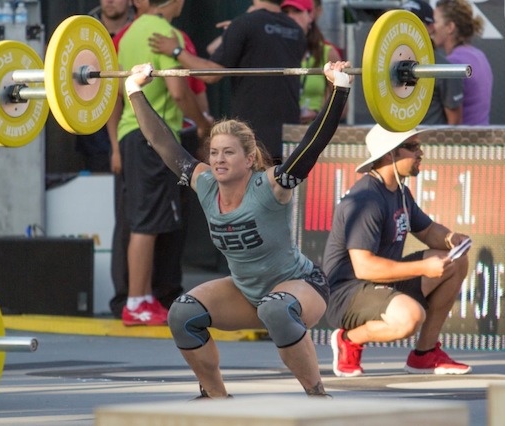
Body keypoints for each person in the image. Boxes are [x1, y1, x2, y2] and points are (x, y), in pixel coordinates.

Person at [124, 60, 352, 397]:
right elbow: (163, 144)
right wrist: (134, 90)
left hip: (302, 287)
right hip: (248, 294)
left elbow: (311, 146)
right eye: (214, 152)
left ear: (249, 159)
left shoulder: (272, 185)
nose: (218, 159)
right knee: (182, 314)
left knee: (275, 307)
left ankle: (317, 395)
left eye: (229, 153)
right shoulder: (204, 184)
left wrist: (340, 88)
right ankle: (217, 400)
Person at [321, 124, 472, 378]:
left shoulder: (399, 191)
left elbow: (427, 231)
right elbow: (364, 267)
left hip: (381, 284)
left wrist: (450, 239)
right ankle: (349, 339)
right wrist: (424, 268)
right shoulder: (366, 200)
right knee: (410, 317)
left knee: (455, 261)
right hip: (347, 293)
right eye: (412, 147)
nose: (420, 153)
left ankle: (424, 356)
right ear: (389, 154)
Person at [113, 0, 211, 326]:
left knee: (144, 220)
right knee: (146, 223)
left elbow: (115, 94)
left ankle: (140, 299)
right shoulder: (165, 32)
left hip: (133, 134)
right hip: (152, 136)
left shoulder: (127, 35)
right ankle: (137, 303)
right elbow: (179, 93)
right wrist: (203, 124)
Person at [148, 0, 306, 164]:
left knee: (249, 189)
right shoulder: (296, 30)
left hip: (253, 138)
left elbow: (211, 74)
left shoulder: (246, 23)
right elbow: (216, 49)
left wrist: (176, 50)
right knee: (281, 189)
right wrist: (233, 31)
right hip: (289, 138)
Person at [74, 0, 133, 172]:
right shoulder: (83, 29)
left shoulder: (139, 28)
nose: (109, 1)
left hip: (132, 126)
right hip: (94, 127)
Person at [282, 0, 344, 124]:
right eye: (285, 12)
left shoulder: (327, 52)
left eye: (297, 11)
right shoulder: (274, 51)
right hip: (280, 131)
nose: (290, 16)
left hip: (314, 132)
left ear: (310, 15)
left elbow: (342, 106)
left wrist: (317, 113)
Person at [401, 0, 463, 125]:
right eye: (401, 22)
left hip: (431, 143)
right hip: (398, 142)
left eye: (413, 23)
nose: (405, 28)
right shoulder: (387, 65)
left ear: (430, 27)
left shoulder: (444, 69)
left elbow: (454, 124)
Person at [432, 0, 492, 125]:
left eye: (435, 22)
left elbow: (454, 122)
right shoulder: (479, 55)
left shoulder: (454, 64)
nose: (431, 28)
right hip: (482, 140)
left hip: (464, 142)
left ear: (450, 27)